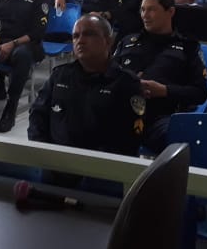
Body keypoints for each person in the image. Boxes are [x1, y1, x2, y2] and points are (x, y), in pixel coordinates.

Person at [29, 15, 144, 161]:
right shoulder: (60, 76)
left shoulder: (126, 83)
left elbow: (130, 139)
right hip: (54, 162)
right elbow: (37, 116)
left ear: (108, 41)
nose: (80, 40)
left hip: (100, 168)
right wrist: (43, 153)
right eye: (76, 36)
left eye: (89, 34)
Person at [114, 0, 207, 152]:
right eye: (143, 9)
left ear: (170, 11)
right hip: (122, 112)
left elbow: (199, 93)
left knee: (181, 141)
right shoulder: (127, 42)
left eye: (151, 9)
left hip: (161, 117)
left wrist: (164, 91)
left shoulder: (188, 47)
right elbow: (106, 76)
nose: (145, 15)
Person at [0, 0, 50, 132]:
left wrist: (13, 44)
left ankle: (11, 105)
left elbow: (37, 32)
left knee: (22, 55)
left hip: (29, 44)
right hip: (2, 42)